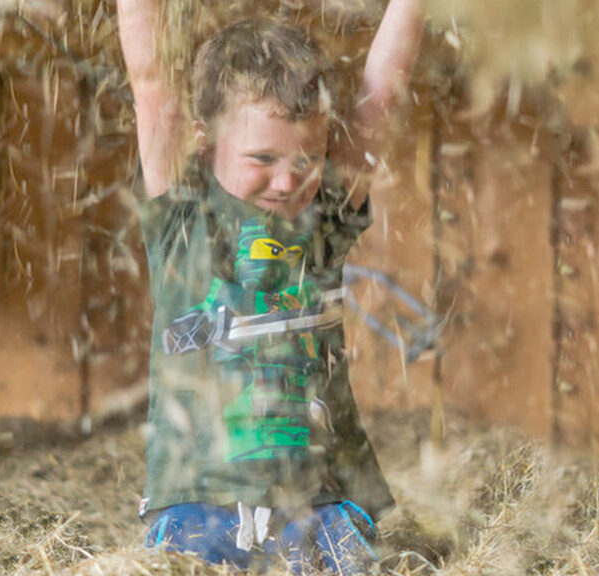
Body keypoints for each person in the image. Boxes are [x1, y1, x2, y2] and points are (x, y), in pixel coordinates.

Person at [116, 1, 423, 573]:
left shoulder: (325, 219)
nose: (287, 180)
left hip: (320, 499)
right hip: (196, 498)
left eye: (307, 157)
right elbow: (151, 81)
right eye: (262, 158)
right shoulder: (183, 220)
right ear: (204, 140)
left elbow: (381, 93)